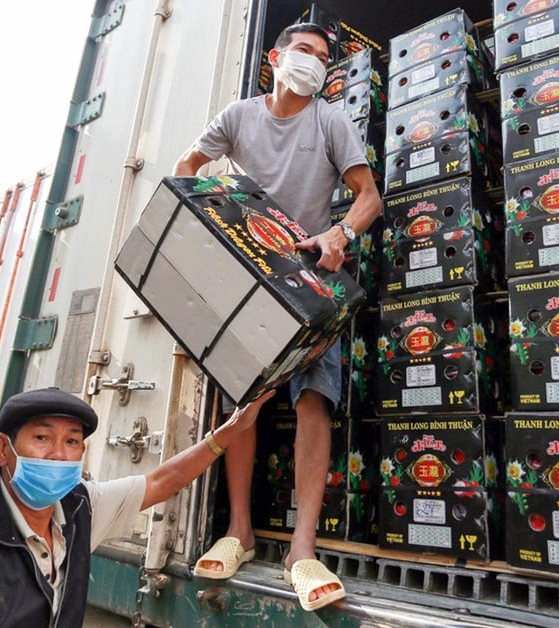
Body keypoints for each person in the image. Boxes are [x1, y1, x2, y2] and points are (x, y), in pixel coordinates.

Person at [173, 22, 382, 612]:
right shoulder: (239, 116)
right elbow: (189, 164)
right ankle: (239, 529)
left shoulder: (331, 120)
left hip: (309, 276)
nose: (314, 63)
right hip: (246, 277)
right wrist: (200, 223)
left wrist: (339, 233)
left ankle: (302, 547)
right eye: (305, 51)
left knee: (314, 399)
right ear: (276, 56)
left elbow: (369, 197)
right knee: (245, 399)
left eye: (323, 57)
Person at [0, 386, 273, 627]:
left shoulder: (78, 509)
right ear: (3, 449)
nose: (58, 455)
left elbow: (159, 483)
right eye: (42, 438)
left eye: (71, 442)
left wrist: (226, 435)